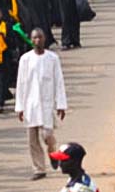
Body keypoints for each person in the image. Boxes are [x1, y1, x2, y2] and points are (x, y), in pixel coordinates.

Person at [15, 28, 68, 181]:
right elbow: (21, 83)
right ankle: (39, 169)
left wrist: (61, 104)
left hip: (46, 103)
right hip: (30, 104)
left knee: (47, 135)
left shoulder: (52, 58)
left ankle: (52, 152)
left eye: (40, 37)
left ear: (44, 39)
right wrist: (20, 107)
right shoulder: (25, 59)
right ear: (31, 40)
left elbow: (59, 81)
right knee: (32, 140)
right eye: (34, 38)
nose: (37, 40)